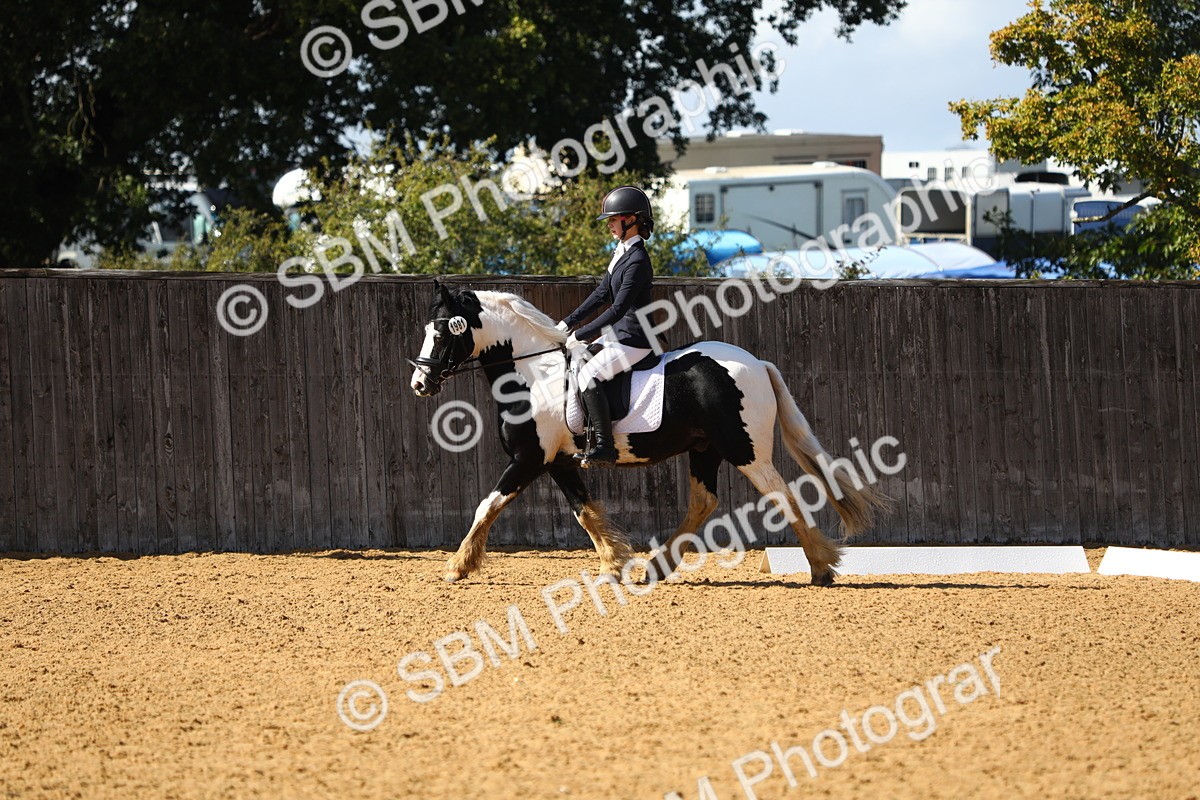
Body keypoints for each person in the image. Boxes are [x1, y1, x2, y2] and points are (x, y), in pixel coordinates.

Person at [557, 185, 657, 467]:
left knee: (589, 376)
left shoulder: (637, 260)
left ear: (632, 220)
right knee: (578, 361)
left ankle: (605, 445)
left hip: (635, 339)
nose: (610, 224)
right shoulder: (622, 253)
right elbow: (602, 293)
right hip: (620, 335)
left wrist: (581, 333)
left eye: (614, 219)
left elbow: (618, 308)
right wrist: (568, 322)